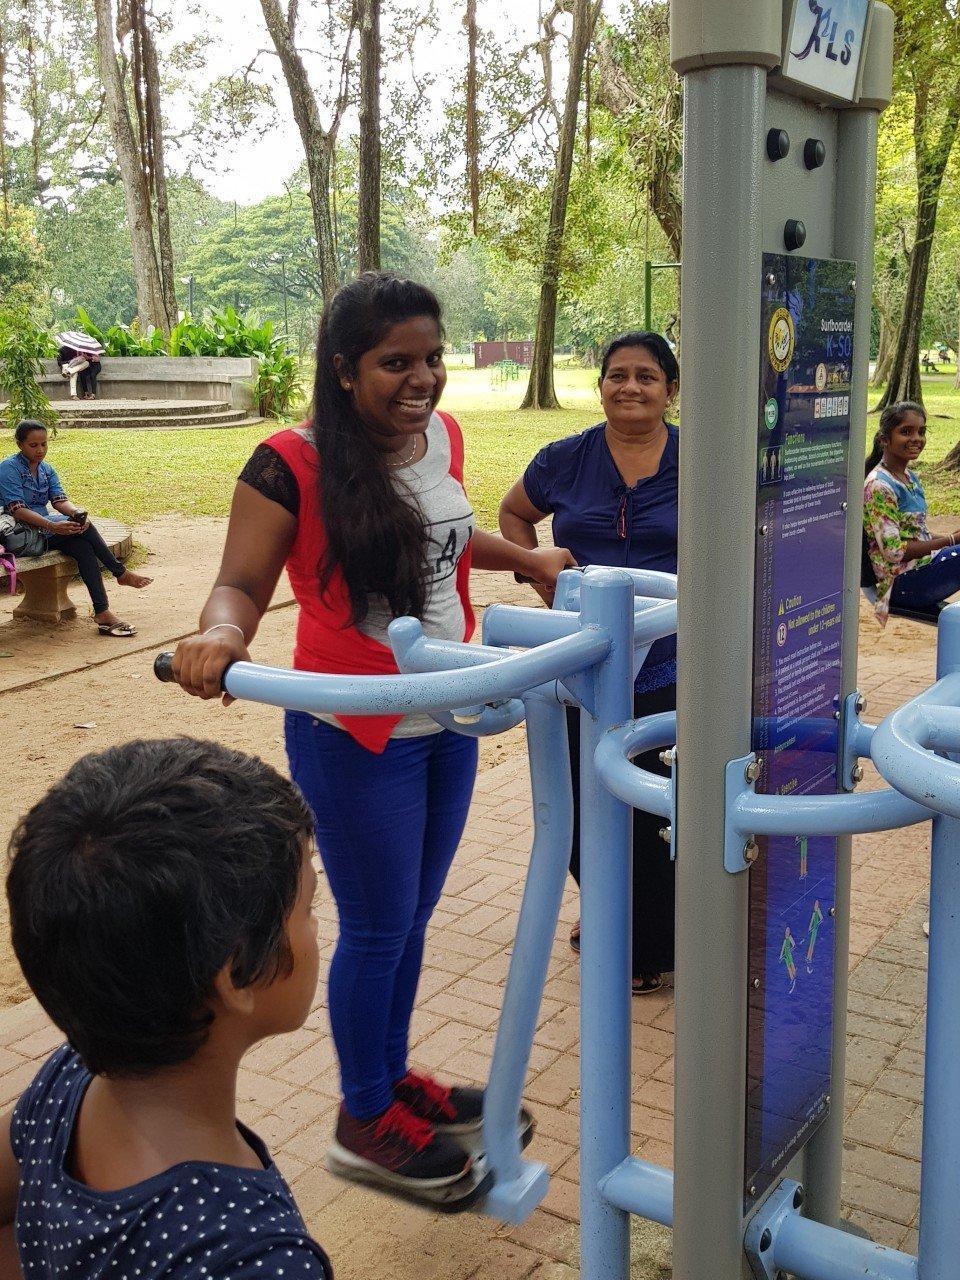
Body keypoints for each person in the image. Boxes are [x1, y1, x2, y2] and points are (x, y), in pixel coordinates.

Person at [168, 272, 575, 1197]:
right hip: (354, 728)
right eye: (397, 362)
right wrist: (222, 634)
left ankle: (391, 1085)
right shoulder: (288, 461)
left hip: (453, 712)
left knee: (412, 919)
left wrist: (528, 557)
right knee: (380, 927)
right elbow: (241, 582)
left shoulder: (445, 437)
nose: (422, 378)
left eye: (432, 357)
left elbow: (446, 536)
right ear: (345, 370)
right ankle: (362, 1117)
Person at [0, 738, 333, 1280]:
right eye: (307, 908)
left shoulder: (65, 1083)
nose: (316, 929)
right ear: (240, 972)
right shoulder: (255, 1259)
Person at [499, 331, 679, 995]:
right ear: (600, 385)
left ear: (670, 390)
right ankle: (606, 907)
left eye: (647, 377)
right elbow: (515, 515)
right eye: (617, 375)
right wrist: (538, 577)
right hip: (581, 659)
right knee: (576, 799)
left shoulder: (699, 460)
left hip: (671, 661)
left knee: (655, 804)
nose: (630, 387)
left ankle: (650, 943)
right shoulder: (565, 459)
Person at [0, 420, 151, 635]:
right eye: (33, 445)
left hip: (42, 530)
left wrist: (75, 513)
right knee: (86, 532)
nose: (40, 450)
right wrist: (53, 525)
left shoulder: (46, 470)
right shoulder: (8, 468)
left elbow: (59, 500)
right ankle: (119, 573)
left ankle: (102, 611)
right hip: (19, 535)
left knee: (83, 546)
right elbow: (17, 511)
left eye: (44, 444)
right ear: (19, 445)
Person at [862, 401, 960, 625]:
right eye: (906, 432)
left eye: (921, 432)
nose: (916, 438)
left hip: (916, 570)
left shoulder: (909, 477)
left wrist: (950, 540)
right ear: (885, 439)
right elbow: (894, 552)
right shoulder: (879, 486)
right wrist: (951, 540)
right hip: (898, 582)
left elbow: (916, 534)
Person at [56, 333, 103, 400]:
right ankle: (74, 395)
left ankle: (68, 372)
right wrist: (69, 361)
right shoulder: (61, 350)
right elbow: (59, 362)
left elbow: (97, 359)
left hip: (87, 366)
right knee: (75, 374)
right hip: (67, 366)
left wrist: (87, 357)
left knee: (86, 365)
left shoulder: (86, 350)